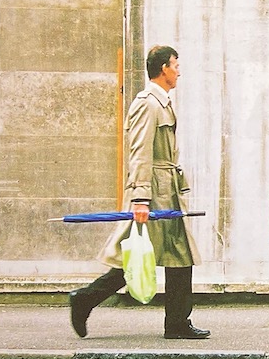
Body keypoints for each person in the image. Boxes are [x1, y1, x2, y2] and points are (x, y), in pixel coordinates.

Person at [69, 45, 209, 339]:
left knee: (180, 255)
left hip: (168, 189)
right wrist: (141, 198)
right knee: (133, 258)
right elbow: (139, 152)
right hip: (154, 192)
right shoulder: (147, 103)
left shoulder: (164, 103)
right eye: (176, 65)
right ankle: (85, 298)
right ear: (163, 69)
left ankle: (177, 323)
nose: (179, 71)